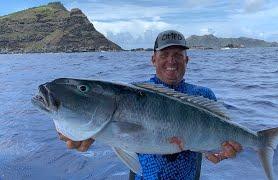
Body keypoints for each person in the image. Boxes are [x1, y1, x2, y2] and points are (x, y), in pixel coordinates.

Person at [58, 30, 242, 180]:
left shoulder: (204, 95)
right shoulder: (132, 95)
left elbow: (212, 144)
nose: (171, 60)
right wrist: (74, 127)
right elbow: (108, 126)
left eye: (178, 54)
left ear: (187, 60)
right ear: (153, 59)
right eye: (164, 54)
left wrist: (223, 153)